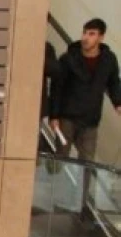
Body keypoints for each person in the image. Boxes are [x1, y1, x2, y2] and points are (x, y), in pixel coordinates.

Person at [48, 18, 121, 221]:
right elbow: (57, 89)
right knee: (61, 156)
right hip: (67, 116)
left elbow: (114, 83)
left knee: (87, 162)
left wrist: (118, 102)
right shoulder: (68, 59)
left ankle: (81, 205)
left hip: (90, 119)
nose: (86, 38)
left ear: (101, 37)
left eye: (92, 34)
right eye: (85, 33)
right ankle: (56, 198)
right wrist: (54, 116)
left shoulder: (108, 60)